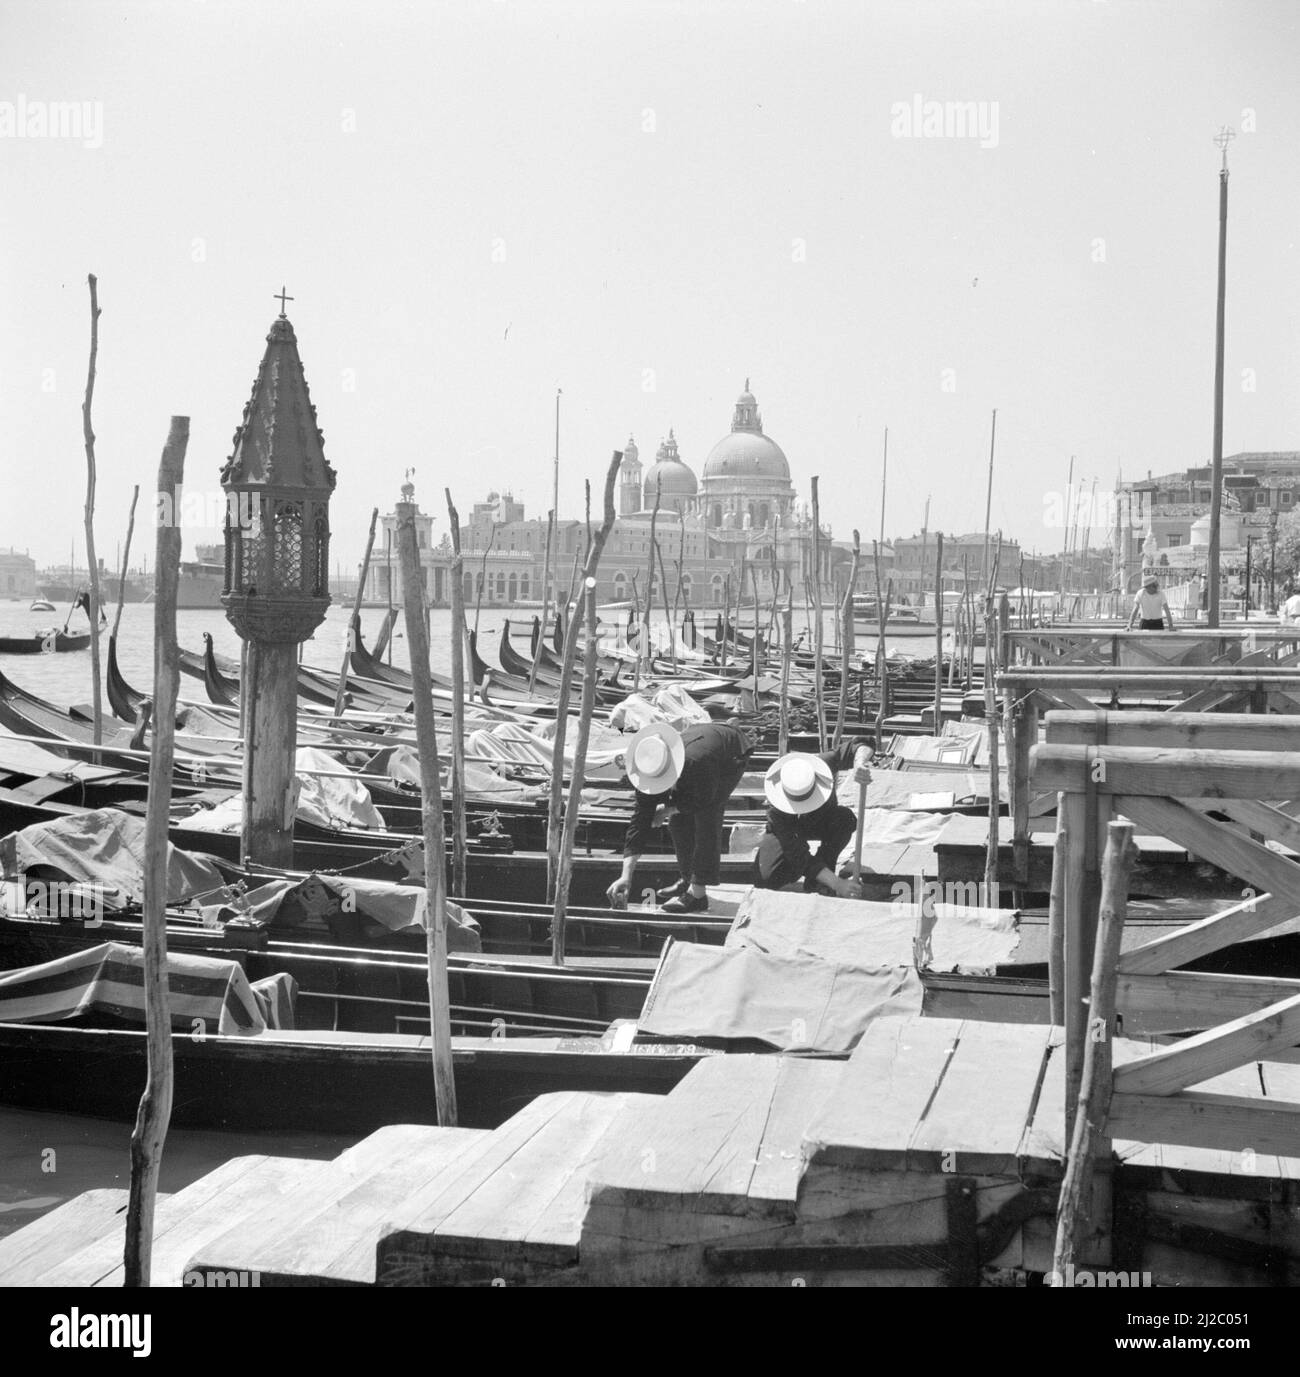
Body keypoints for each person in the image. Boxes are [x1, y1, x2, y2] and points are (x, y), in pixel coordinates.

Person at [606, 720, 755, 914]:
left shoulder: (697, 762)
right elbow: (639, 823)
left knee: (706, 817)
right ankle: (687, 880)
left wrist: (668, 809)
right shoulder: (648, 767)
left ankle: (698, 895)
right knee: (678, 821)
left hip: (731, 752)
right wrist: (626, 875)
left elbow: (703, 800)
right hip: (700, 744)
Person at [753, 744, 868, 898]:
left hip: (820, 820)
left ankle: (819, 879)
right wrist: (837, 883)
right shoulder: (776, 810)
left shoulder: (823, 763)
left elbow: (861, 744)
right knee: (767, 879)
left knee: (844, 819)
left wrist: (859, 764)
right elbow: (797, 853)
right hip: (788, 831)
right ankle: (819, 876)